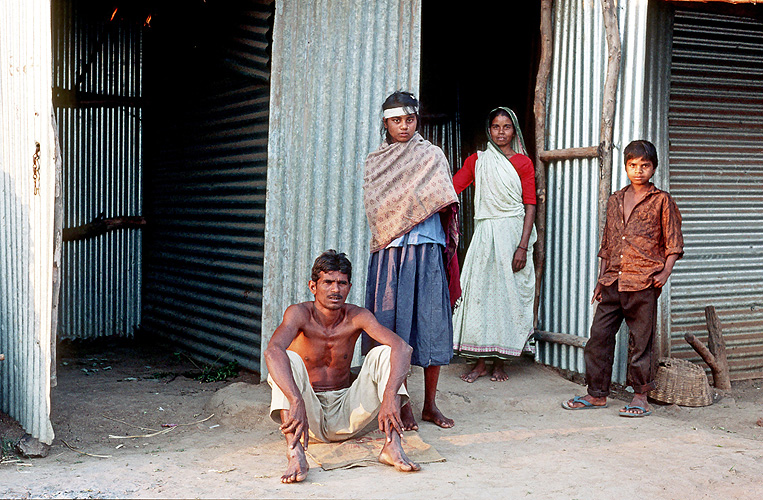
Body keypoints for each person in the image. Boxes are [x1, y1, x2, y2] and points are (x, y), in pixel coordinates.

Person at [264, 250, 420, 484]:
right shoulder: (299, 314)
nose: (335, 290)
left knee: (385, 353)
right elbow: (272, 351)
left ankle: (392, 446)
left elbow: (403, 348)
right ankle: (295, 453)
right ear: (313, 286)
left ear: (349, 287)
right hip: (307, 414)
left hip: (348, 411)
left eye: (342, 283)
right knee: (286, 357)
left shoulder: (357, 315)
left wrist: (389, 396)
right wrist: (296, 400)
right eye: (328, 282)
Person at [562, 140, 683, 417]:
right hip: (613, 280)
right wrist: (600, 278)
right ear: (626, 167)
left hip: (644, 281)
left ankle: (641, 397)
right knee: (599, 337)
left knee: (641, 341)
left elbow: (674, 241)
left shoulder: (661, 200)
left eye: (644, 166)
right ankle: (596, 394)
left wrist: (665, 272)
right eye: (632, 165)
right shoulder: (616, 199)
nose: (638, 171)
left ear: (653, 167)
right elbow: (608, 242)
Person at [362, 91, 460, 430]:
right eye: (396, 121)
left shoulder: (432, 156)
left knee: (432, 328)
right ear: (385, 124)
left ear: (418, 120)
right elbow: (377, 209)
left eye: (409, 119)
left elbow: (445, 197)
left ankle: (430, 405)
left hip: (428, 249)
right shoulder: (377, 162)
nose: (404, 126)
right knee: (394, 328)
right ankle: (400, 403)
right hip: (391, 252)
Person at [452, 107, 537, 383]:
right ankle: (478, 362)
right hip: (485, 234)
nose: (501, 132)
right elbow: (452, 188)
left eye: (507, 127)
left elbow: (530, 205)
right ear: (489, 130)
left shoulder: (523, 163)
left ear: (514, 131)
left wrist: (522, 246)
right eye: (496, 127)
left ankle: (501, 363)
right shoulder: (478, 161)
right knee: (480, 295)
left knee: (508, 297)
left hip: (512, 235)